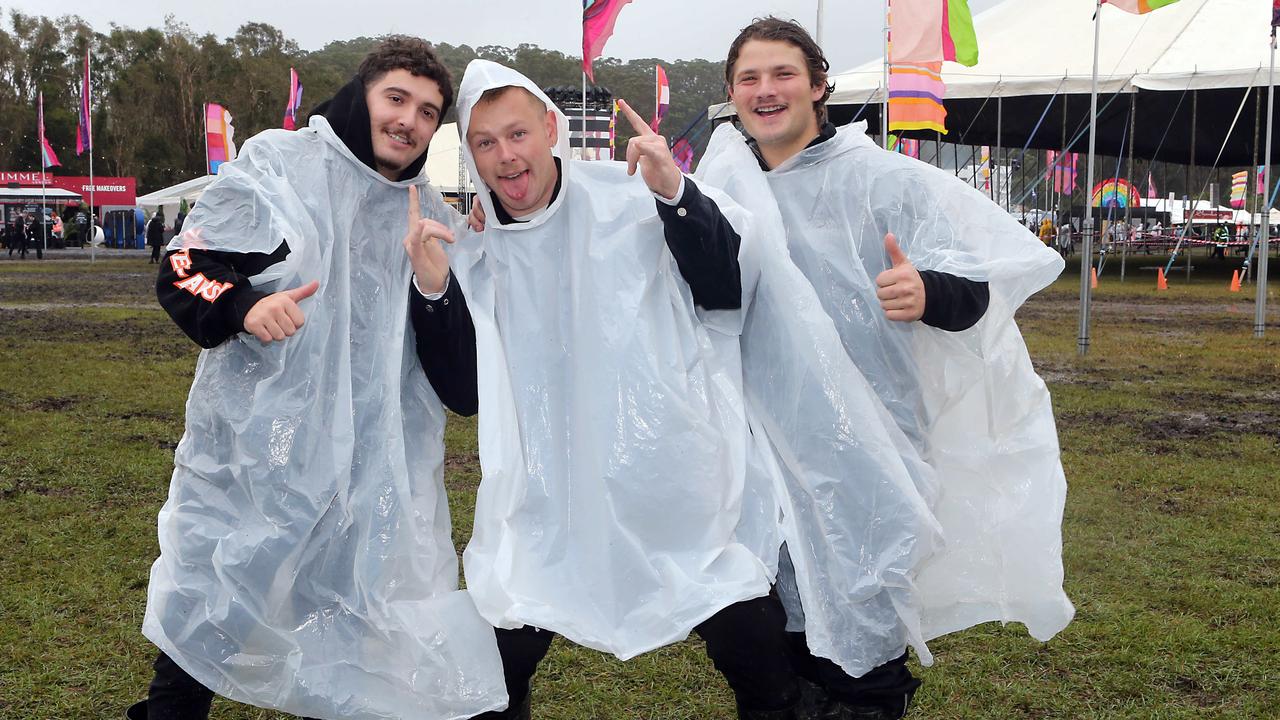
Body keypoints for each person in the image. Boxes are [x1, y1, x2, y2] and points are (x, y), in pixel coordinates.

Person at [700, 17, 1073, 719]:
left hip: (867, 447)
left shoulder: (884, 182)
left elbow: (972, 292)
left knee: (861, 633)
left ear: (817, 85)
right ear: (732, 93)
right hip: (759, 448)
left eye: (783, 74)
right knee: (762, 627)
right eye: (749, 78)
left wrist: (928, 291)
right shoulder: (723, 188)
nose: (766, 90)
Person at [127, 36, 506, 720]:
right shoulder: (280, 166)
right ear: (362, 96)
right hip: (261, 454)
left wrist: (432, 285)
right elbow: (182, 268)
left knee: (360, 632)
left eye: (427, 111)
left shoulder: (432, 215)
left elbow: (464, 388)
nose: (409, 121)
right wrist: (245, 305)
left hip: (376, 474)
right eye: (396, 99)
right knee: (216, 602)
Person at [421, 60, 804, 720]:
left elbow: (724, 287)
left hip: (665, 475)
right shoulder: (472, 246)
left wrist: (675, 193)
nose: (506, 158)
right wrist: (433, 292)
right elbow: (464, 390)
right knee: (495, 663)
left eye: (517, 135)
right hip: (547, 492)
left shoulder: (628, 198)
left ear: (550, 128)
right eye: (484, 142)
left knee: (752, 640)